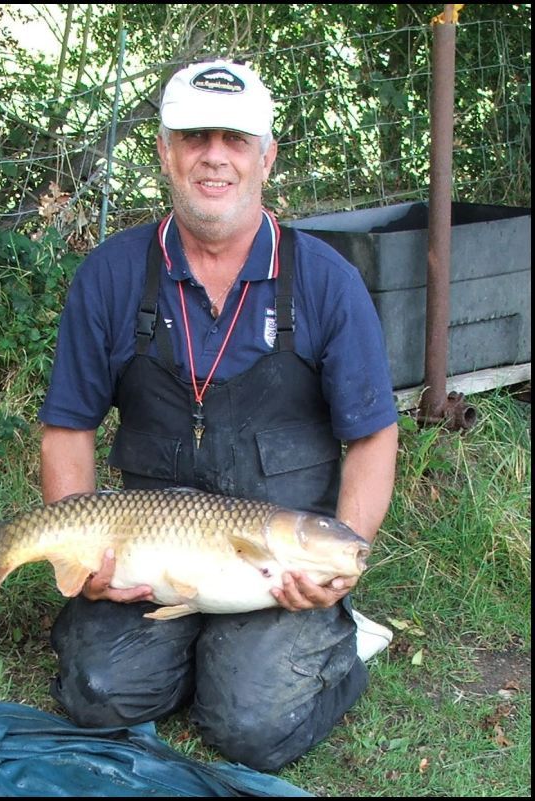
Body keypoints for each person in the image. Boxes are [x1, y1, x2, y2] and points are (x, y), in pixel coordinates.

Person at [38, 59, 398, 772]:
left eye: (235, 139)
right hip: (149, 549)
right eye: (195, 136)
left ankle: (335, 637)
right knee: (96, 690)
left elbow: (373, 435)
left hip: (275, 556)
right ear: (166, 152)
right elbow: (67, 429)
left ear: (265, 156)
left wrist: (344, 553)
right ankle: (199, 649)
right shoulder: (110, 275)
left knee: (252, 726)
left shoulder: (326, 281)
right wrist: (83, 560)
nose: (214, 156)